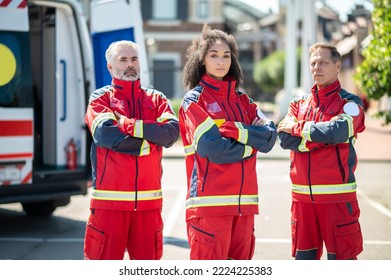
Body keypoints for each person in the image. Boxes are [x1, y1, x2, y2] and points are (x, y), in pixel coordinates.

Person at [179, 24, 277, 260]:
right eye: (213, 55)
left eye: (226, 55)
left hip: (245, 208)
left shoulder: (244, 101)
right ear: (202, 60)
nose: (221, 61)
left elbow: (270, 137)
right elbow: (212, 148)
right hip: (209, 206)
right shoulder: (194, 100)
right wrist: (249, 147)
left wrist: (238, 131)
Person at [83, 40, 179, 260]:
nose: (130, 65)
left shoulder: (157, 99)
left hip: (149, 206)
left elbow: (171, 134)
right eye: (123, 59)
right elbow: (107, 136)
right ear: (110, 67)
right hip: (109, 206)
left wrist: (130, 125)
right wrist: (149, 143)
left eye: (134, 59)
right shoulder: (100, 99)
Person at [277, 42, 366, 260]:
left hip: (337, 199)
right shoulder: (298, 105)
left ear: (337, 66)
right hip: (302, 202)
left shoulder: (350, 103)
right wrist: (320, 138)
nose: (317, 67)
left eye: (324, 62)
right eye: (313, 63)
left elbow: (338, 131)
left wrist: (299, 129)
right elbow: (283, 137)